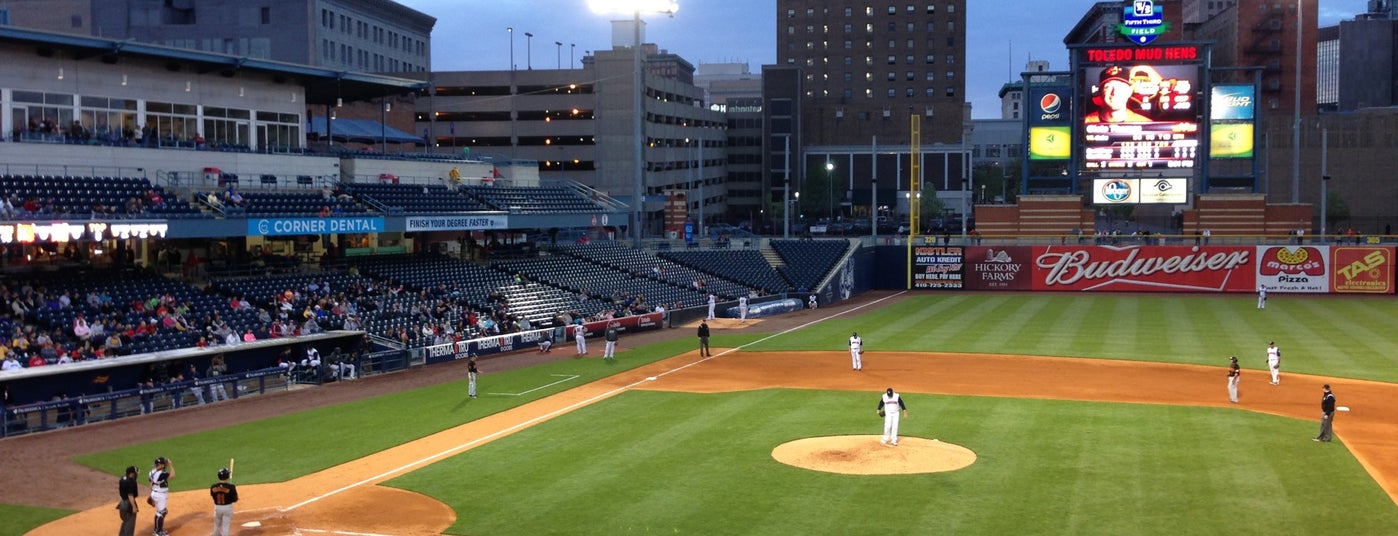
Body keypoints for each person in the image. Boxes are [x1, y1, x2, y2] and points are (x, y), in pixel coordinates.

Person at [1085, 65, 1152, 124]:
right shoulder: (1086, 122)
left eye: (1120, 86)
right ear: (1100, 92)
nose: (1114, 92)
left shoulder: (1144, 123)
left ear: (1129, 91)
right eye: (1108, 87)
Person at [148, 456, 174, 536]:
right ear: (161, 465)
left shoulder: (151, 472)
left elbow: (150, 484)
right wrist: (171, 465)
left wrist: (151, 495)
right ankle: (158, 532)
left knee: (160, 512)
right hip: (160, 495)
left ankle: (157, 529)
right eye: (164, 464)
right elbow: (173, 475)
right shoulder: (162, 474)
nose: (165, 465)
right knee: (162, 512)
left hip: (155, 493)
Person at [209, 467, 239, 536]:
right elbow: (235, 499)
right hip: (227, 508)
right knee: (226, 527)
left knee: (217, 525)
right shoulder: (231, 487)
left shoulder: (213, 486)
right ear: (227, 476)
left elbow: (213, 496)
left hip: (217, 508)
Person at [118, 465, 140, 536]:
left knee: (125, 522)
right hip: (128, 504)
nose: (136, 474)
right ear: (132, 473)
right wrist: (134, 506)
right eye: (135, 473)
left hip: (122, 503)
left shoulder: (122, 479)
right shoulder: (132, 481)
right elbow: (130, 495)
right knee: (130, 524)